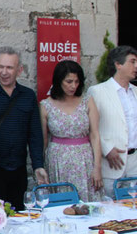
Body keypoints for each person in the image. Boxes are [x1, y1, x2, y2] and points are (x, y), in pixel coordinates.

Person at [0, 47, 46, 211]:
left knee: (18, 214)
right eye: (0, 66)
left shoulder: (28, 95)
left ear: (19, 70)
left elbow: (35, 135)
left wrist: (38, 166)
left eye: (9, 68)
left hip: (18, 169)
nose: (4, 72)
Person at [88, 45, 137, 198]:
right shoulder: (98, 91)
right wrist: (107, 149)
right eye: (132, 62)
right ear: (118, 64)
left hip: (134, 159)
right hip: (111, 161)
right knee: (110, 207)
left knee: (135, 205)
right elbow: (91, 127)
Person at [39, 60, 103, 201]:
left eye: (76, 81)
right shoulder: (46, 105)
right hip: (58, 161)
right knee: (63, 202)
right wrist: (40, 167)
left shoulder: (87, 101)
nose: (73, 86)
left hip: (84, 160)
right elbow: (42, 140)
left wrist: (97, 167)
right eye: (69, 81)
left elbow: (95, 135)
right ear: (58, 81)